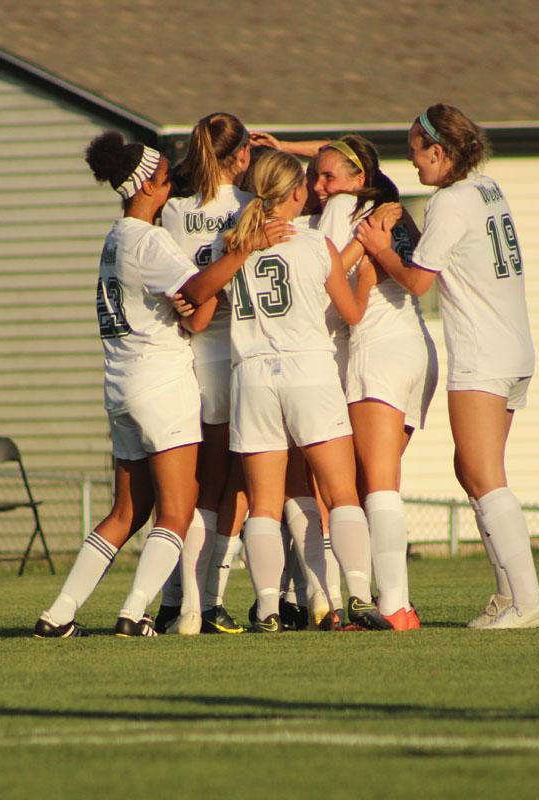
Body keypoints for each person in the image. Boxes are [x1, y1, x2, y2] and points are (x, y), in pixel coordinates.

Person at [33, 131, 284, 639]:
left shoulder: (115, 237)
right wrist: (241, 252)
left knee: (127, 511)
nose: (172, 179)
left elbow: (185, 299)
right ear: (148, 183)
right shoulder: (149, 240)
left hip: (119, 387)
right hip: (159, 382)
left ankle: (59, 612)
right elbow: (194, 290)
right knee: (176, 509)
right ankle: (136, 610)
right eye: (166, 175)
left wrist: (193, 299)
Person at [356, 106, 539, 632]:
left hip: (482, 353)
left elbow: (418, 282)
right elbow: (450, 252)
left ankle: (527, 600)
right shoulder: (486, 190)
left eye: (416, 151)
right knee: (471, 471)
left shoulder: (449, 200)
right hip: (515, 348)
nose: (411, 161)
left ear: (439, 152)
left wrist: (379, 247)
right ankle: (508, 593)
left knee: (485, 476)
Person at [222, 149, 389, 632]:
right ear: (297, 193)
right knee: (341, 493)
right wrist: (368, 281)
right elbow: (352, 316)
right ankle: (358, 595)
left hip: (251, 377)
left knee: (265, 504)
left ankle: (269, 609)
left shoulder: (234, 244)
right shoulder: (316, 244)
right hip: (308, 372)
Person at [312, 136, 437, 630]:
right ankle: (397, 603)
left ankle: (391, 607)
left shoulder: (345, 206)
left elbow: (324, 273)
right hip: (416, 350)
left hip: (376, 353)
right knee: (378, 485)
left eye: (329, 176)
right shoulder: (392, 207)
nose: (321, 188)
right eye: (316, 177)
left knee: (375, 488)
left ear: (357, 179)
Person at [156, 112, 254, 636]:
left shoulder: (172, 209)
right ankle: (207, 601)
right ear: (240, 155)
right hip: (235, 352)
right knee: (225, 487)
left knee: (187, 489)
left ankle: (178, 602)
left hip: (183, 351)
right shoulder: (245, 207)